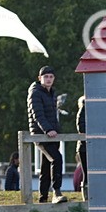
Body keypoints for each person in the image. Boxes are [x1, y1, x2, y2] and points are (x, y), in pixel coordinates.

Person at [27, 65, 66, 204]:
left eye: (51, 77)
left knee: (45, 165)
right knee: (56, 158)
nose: (48, 79)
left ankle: (43, 198)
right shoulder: (35, 92)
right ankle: (57, 191)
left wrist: (56, 129)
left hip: (51, 133)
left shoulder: (52, 93)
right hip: (41, 133)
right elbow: (38, 114)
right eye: (46, 77)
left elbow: (52, 115)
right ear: (40, 78)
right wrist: (48, 129)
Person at [75, 95, 87, 201]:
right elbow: (81, 128)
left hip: (85, 146)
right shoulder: (82, 112)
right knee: (86, 173)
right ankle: (86, 197)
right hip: (84, 147)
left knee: (87, 174)